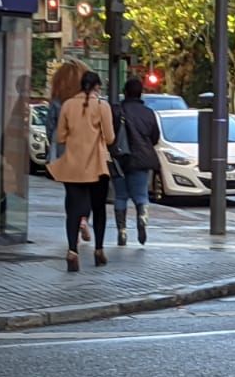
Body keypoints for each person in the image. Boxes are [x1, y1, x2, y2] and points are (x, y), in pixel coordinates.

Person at [48, 66, 115, 269]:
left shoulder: (68, 105)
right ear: (97, 87)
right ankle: (99, 250)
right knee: (99, 208)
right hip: (97, 166)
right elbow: (110, 137)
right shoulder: (103, 107)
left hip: (72, 165)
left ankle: (71, 251)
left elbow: (59, 137)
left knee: (73, 211)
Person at [110, 76, 162, 247]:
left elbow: (110, 136)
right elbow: (155, 137)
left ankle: (122, 232)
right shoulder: (148, 113)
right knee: (141, 195)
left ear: (125, 93)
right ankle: (142, 218)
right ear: (141, 94)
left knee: (120, 196)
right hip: (141, 160)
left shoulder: (116, 111)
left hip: (119, 159)